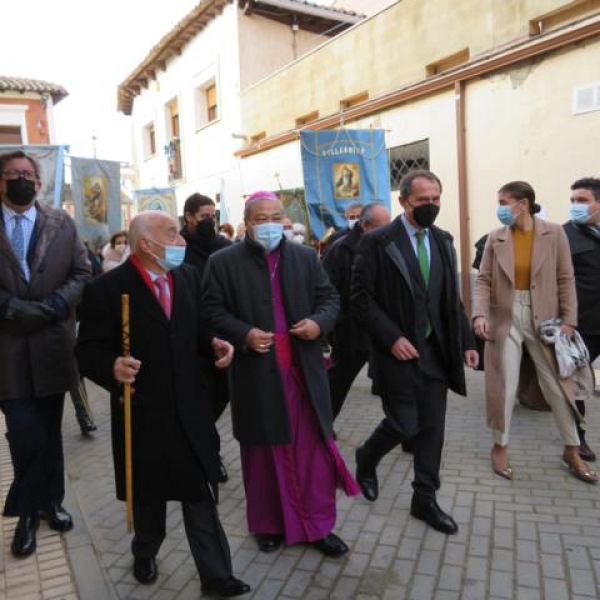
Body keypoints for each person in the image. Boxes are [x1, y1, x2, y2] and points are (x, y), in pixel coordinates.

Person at [76, 211, 250, 596]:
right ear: (145, 243)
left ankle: (216, 574)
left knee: (199, 494)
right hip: (142, 412)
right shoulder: (106, 290)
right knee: (149, 494)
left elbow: (198, 327)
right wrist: (111, 366)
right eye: (171, 233)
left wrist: (215, 343)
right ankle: (145, 550)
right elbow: (86, 350)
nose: (181, 240)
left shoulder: (186, 276)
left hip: (190, 407)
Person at [203, 190, 357, 557]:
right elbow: (210, 310)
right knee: (262, 456)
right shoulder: (223, 262)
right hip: (256, 376)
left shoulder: (305, 256)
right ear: (247, 222)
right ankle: (268, 525)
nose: (270, 225)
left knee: (313, 457)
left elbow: (330, 299)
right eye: (262, 218)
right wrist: (243, 334)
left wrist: (319, 324)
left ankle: (319, 527)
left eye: (276, 218)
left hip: (303, 374)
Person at [352, 170, 478, 535]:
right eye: (423, 200)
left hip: (436, 353)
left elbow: (449, 299)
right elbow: (361, 300)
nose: (431, 206)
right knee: (405, 424)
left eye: (436, 199)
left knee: (432, 430)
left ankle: (425, 498)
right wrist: (391, 337)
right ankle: (367, 456)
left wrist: (467, 342)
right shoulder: (378, 242)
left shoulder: (443, 240)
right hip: (396, 354)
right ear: (404, 201)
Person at [472, 181, 597, 484]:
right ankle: (500, 446)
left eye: (504, 202)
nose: (500, 208)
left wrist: (569, 320)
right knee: (506, 385)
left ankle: (571, 449)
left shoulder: (554, 233)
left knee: (558, 387)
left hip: (546, 319)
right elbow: (484, 280)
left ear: (522, 204)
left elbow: (566, 278)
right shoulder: (495, 238)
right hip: (506, 317)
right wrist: (479, 314)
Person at [0, 150, 91, 557]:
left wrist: (55, 305)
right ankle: (26, 513)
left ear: (38, 183)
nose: (21, 178)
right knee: (24, 434)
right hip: (8, 350)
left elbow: (82, 272)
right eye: (12, 173)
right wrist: (11, 308)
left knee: (50, 432)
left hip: (54, 347)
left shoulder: (61, 222)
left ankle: (52, 502)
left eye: (27, 173)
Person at [180, 192, 232, 483]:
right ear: (189, 217)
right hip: (191, 334)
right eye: (204, 217)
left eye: (213, 216)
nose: (210, 221)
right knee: (199, 398)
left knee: (221, 395)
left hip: (222, 332)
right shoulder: (178, 247)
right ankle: (210, 454)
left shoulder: (223, 246)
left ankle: (198, 439)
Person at [323, 202, 390, 419]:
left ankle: (405, 433)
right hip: (351, 332)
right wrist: (336, 327)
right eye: (380, 226)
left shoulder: (389, 244)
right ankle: (322, 426)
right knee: (338, 382)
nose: (385, 230)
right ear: (365, 225)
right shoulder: (340, 249)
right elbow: (327, 291)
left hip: (385, 329)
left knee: (395, 385)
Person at [564, 176, 600, 461]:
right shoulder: (563, 235)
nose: (575, 206)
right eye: (573, 200)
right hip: (580, 325)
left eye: (582, 200)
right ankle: (577, 441)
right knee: (575, 386)